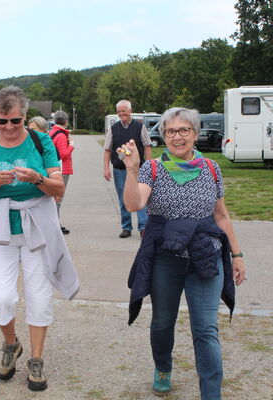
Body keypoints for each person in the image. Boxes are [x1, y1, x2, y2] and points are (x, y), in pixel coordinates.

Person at [122, 107, 246, 399]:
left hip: (206, 256)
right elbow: (133, 204)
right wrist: (130, 169)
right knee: (163, 322)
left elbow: (221, 216)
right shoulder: (152, 169)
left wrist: (237, 256)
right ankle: (163, 366)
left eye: (183, 130)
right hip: (166, 259)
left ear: (195, 133)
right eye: (170, 131)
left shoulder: (212, 168)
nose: (177, 137)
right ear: (163, 136)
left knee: (205, 330)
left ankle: (211, 394)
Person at [0, 86, 79, 391]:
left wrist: (37, 178)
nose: (8, 128)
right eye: (2, 122)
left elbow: (59, 188)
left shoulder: (40, 140)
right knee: (2, 297)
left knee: (38, 294)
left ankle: (36, 358)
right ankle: (10, 344)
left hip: (37, 223)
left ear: (25, 116)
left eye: (15, 121)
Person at [104, 100, 152, 238]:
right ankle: (126, 227)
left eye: (123, 111)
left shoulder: (139, 127)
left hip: (139, 170)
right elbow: (107, 149)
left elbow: (147, 145)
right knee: (123, 199)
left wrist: (148, 166)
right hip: (120, 170)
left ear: (130, 111)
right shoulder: (113, 129)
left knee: (141, 197)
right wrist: (106, 168)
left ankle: (143, 227)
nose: (121, 114)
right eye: (119, 111)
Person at [48, 110, 74, 235]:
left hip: (52, 169)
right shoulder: (62, 135)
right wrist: (72, 146)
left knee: (53, 198)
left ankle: (54, 223)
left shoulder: (52, 132)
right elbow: (64, 154)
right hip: (62, 169)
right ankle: (56, 225)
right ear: (66, 121)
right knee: (58, 198)